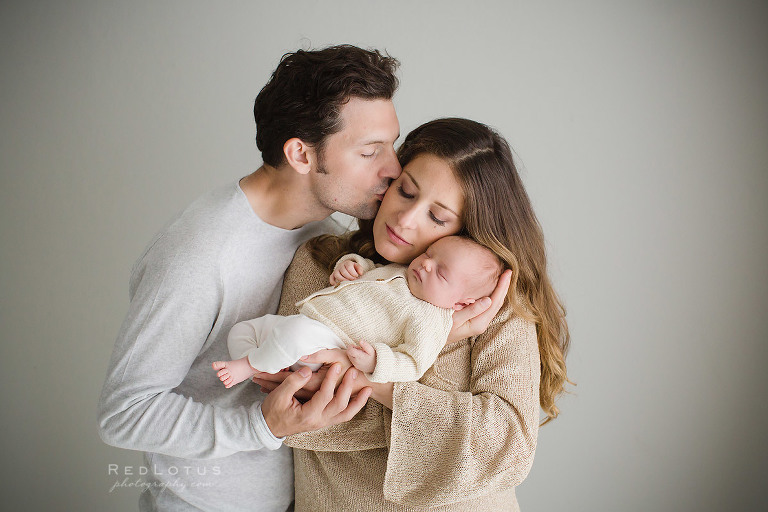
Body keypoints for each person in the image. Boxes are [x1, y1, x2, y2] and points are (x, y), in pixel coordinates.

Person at [97, 45, 405, 512]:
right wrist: (260, 427)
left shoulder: (329, 235)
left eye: (392, 145)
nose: (394, 169)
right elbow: (124, 414)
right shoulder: (199, 255)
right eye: (370, 151)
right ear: (301, 154)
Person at [254, 118, 571, 511]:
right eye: (405, 191)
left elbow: (507, 448)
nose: (405, 220)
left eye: (437, 218)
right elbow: (292, 405)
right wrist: (438, 354)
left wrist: (379, 384)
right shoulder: (321, 263)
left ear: (469, 230)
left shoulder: (490, 302)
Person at [212, 235, 504, 387]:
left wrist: (376, 360)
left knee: (294, 335)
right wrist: (351, 266)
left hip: (329, 340)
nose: (426, 264)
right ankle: (266, 371)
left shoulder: (430, 318)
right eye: (429, 254)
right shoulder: (402, 272)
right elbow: (370, 273)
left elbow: (414, 363)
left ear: (461, 304)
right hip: (306, 320)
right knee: (244, 330)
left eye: (441, 272)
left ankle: (250, 366)